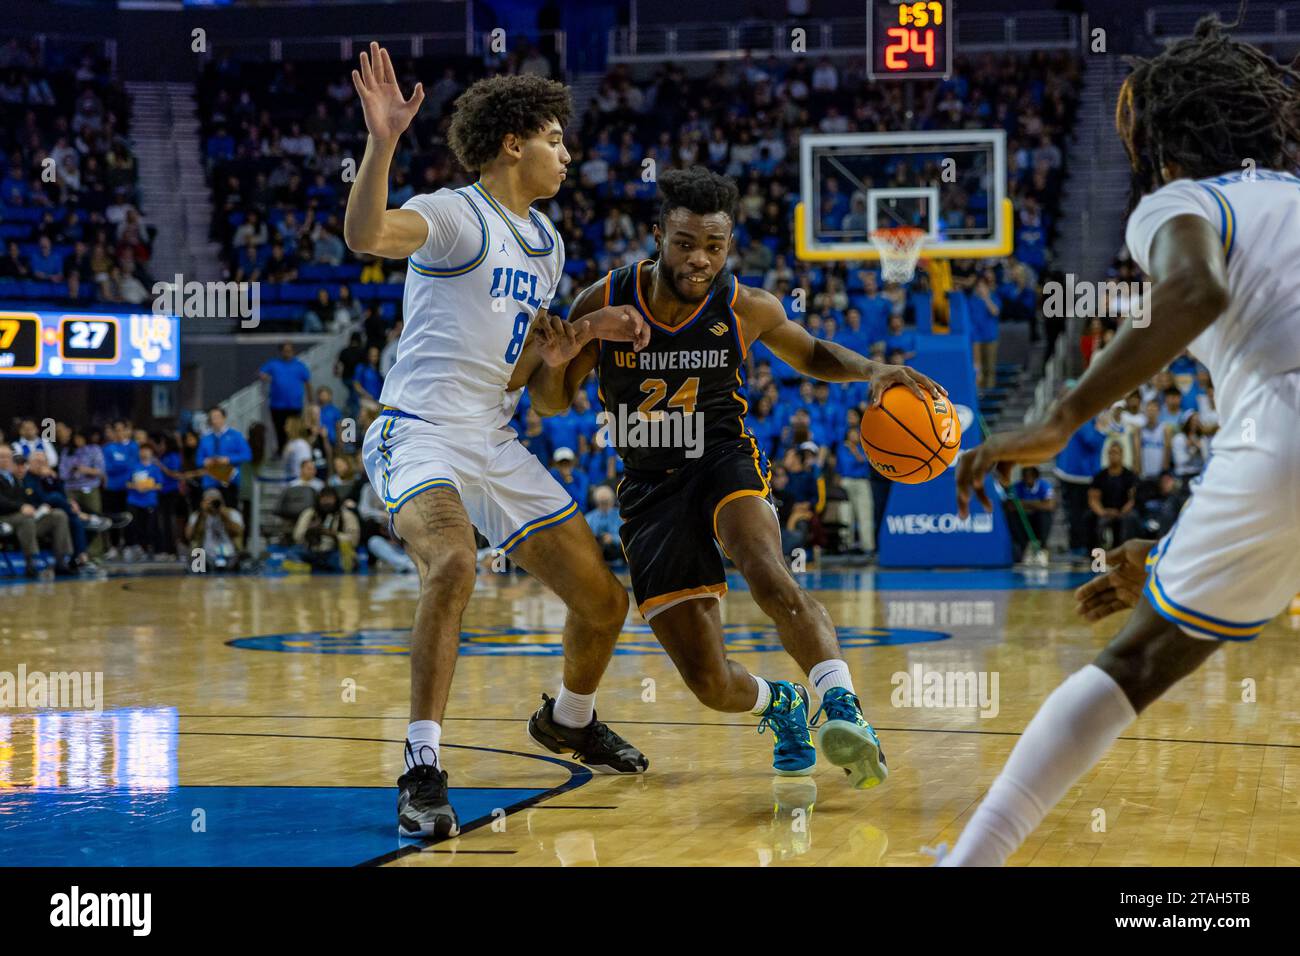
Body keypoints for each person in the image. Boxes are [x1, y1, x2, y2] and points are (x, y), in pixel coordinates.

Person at [946, 15, 1300, 865]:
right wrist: (1176, 552)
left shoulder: (1183, 202)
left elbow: (1195, 292)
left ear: (1166, 138)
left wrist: (1060, 418)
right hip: (1277, 457)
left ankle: (969, 861)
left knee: (1133, 668)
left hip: (1281, 441)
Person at [535, 165, 944, 785]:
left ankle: (843, 706)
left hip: (723, 457)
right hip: (649, 489)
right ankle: (780, 705)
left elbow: (810, 350)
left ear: (730, 246)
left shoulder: (745, 305)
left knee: (768, 571)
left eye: (715, 246)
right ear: (657, 237)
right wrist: (566, 354)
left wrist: (872, 370)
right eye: (685, 243)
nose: (700, 259)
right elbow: (550, 402)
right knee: (709, 682)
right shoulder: (605, 298)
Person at [344, 44, 650, 838]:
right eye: (556, 138)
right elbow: (368, 233)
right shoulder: (453, 215)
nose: (567, 153)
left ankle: (570, 720)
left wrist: (569, 345)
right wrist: (382, 142)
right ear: (514, 142)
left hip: (494, 436)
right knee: (452, 560)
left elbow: (530, 387)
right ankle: (421, 767)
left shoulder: (544, 243)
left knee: (605, 602)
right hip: (417, 434)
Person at [0, 447, 76, 577]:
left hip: (24, 517)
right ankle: (31, 562)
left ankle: (61, 560)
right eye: (3, 457)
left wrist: (42, 508)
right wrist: (20, 507)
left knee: (58, 515)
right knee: (26, 519)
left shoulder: (16, 477)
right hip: (5, 518)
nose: (7, 460)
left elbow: (30, 498)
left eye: (9, 457)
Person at [286, 486, 360, 573]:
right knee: (292, 553)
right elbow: (297, 536)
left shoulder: (346, 515)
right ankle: (306, 567)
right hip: (312, 552)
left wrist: (333, 534)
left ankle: (327, 566)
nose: (327, 502)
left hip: (334, 552)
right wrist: (309, 532)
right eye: (324, 499)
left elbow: (354, 540)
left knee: (345, 560)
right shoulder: (309, 513)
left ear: (336, 500)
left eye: (330, 498)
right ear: (318, 500)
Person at [259, 342, 312, 452]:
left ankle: (295, 450)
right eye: (285, 350)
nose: (288, 353)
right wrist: (267, 378)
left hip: (295, 404)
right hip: (277, 404)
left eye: (290, 350)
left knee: (295, 429)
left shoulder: (299, 365)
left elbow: (307, 383)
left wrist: (311, 400)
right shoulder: (274, 364)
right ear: (281, 352)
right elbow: (261, 372)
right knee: (279, 429)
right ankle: (281, 451)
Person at [197, 406, 252, 509]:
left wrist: (228, 459)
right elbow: (198, 460)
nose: (215, 420)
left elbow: (247, 455)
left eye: (217, 417)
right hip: (211, 482)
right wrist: (206, 461)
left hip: (229, 480)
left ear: (224, 417)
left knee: (230, 510)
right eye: (212, 417)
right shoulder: (206, 438)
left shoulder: (235, 435)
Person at [186, 488, 244, 572]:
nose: (213, 505)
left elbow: (238, 532)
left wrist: (224, 515)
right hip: (205, 555)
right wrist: (202, 515)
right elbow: (189, 536)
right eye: (209, 501)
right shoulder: (197, 515)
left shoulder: (232, 513)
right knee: (195, 561)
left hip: (230, 553)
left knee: (243, 561)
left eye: (215, 501)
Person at [1005, 464, 1055, 562]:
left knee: (1044, 515)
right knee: (1012, 516)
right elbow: (1010, 506)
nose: (1027, 479)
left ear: (1036, 477)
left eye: (1030, 476)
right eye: (1025, 476)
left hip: (1037, 519)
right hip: (1023, 519)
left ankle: (1042, 548)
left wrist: (1023, 503)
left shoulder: (1044, 486)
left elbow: (1049, 505)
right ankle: (1023, 548)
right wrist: (1038, 503)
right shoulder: (1017, 487)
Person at [584, 484, 622, 564]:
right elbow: (585, 539)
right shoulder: (589, 517)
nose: (604, 505)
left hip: (618, 559)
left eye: (607, 501)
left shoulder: (620, 516)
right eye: (601, 502)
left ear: (612, 501)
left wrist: (613, 538)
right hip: (595, 559)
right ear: (596, 502)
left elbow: (627, 537)